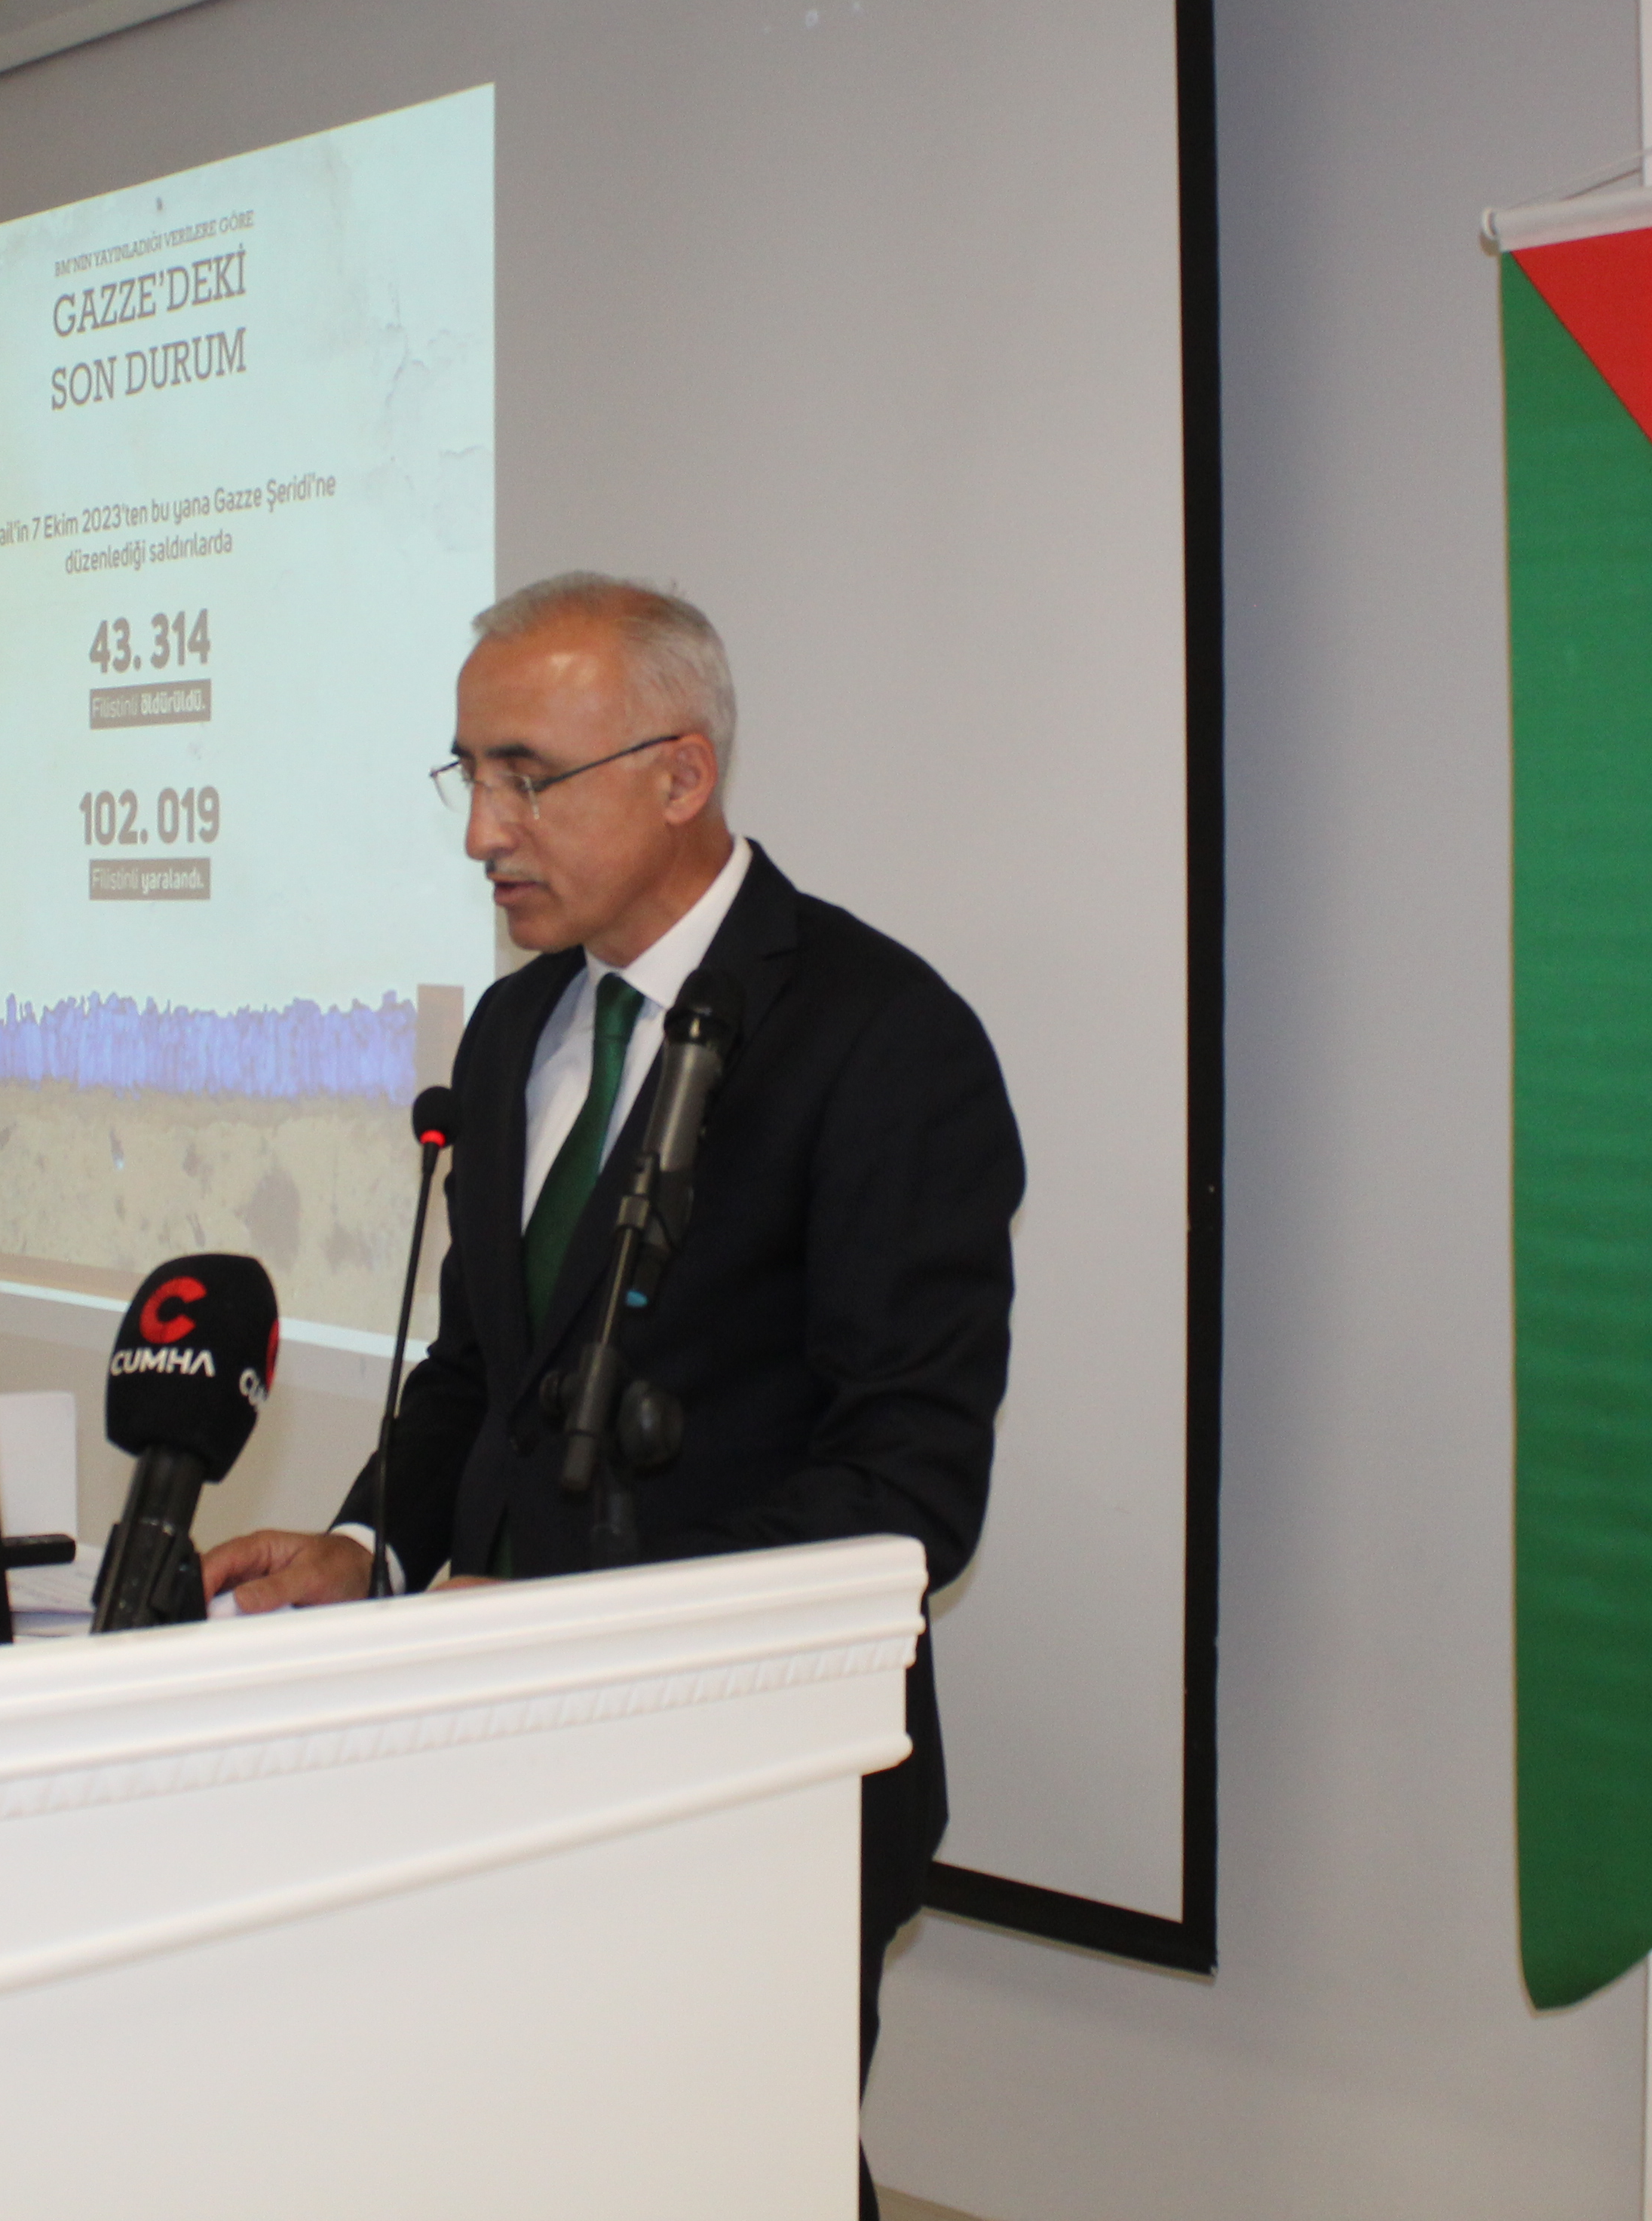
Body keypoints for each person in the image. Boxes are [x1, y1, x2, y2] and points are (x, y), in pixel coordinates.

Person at [199, 574, 1021, 2203]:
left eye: (526, 776)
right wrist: (373, 1548)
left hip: (753, 1781)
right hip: (495, 1762)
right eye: (468, 775)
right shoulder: (519, 1031)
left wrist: (581, 1630)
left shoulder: (882, 1039)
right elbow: (483, 1371)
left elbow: (905, 1488)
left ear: (681, 774)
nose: (480, 832)